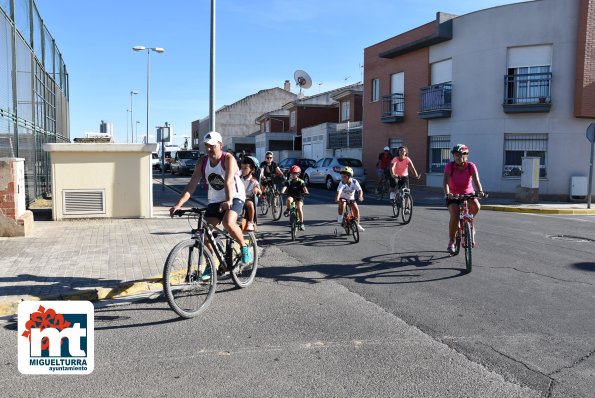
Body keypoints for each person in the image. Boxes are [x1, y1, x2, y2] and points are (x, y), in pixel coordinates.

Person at [169, 131, 253, 270]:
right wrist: (178, 205)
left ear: (220, 145)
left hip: (235, 195)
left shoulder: (228, 158)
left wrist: (228, 200)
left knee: (228, 222)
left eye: (212, 146)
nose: (208, 149)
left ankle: (244, 248)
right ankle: (211, 265)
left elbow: (228, 182)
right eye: (206, 145)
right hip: (215, 199)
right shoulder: (202, 162)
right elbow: (191, 185)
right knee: (204, 234)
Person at [443, 144, 485, 254]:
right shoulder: (450, 166)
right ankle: (451, 241)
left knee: (477, 206)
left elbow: (476, 180)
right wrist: (448, 193)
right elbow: (445, 182)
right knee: (455, 214)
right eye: (456, 155)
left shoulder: (471, 166)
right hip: (453, 195)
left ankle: (469, 223)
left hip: (468, 194)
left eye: (460, 155)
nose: (457, 157)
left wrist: (480, 191)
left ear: (466, 156)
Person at [389, 146, 421, 213]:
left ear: (406, 152)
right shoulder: (395, 159)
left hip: (404, 176)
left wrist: (416, 175)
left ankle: (406, 208)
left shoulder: (407, 159)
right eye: (400, 151)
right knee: (393, 186)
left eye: (403, 151)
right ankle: (392, 197)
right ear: (398, 152)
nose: (402, 152)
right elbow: (392, 167)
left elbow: (412, 168)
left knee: (407, 192)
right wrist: (393, 174)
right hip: (395, 175)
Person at [336, 166, 365, 232]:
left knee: (356, 209)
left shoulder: (354, 182)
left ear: (349, 176)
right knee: (342, 203)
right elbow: (339, 191)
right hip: (342, 197)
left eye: (344, 176)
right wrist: (337, 199)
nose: (342, 178)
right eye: (342, 176)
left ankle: (357, 224)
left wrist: (360, 196)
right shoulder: (342, 183)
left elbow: (360, 190)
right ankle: (340, 217)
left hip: (351, 198)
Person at [281, 165, 309, 231]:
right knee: (288, 199)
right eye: (292, 173)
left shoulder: (301, 181)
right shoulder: (289, 181)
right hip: (291, 196)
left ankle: (301, 223)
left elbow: (305, 189)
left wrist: (306, 192)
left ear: (298, 174)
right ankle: (288, 210)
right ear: (290, 173)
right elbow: (285, 187)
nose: (293, 175)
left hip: (299, 197)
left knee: (299, 208)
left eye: (295, 173)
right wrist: (282, 192)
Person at [240, 155, 262, 232]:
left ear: (252, 169)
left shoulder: (254, 181)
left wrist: (256, 189)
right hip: (238, 198)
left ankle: (251, 222)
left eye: (245, 168)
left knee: (250, 204)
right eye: (242, 168)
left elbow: (260, 191)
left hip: (248, 198)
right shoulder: (238, 178)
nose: (243, 170)